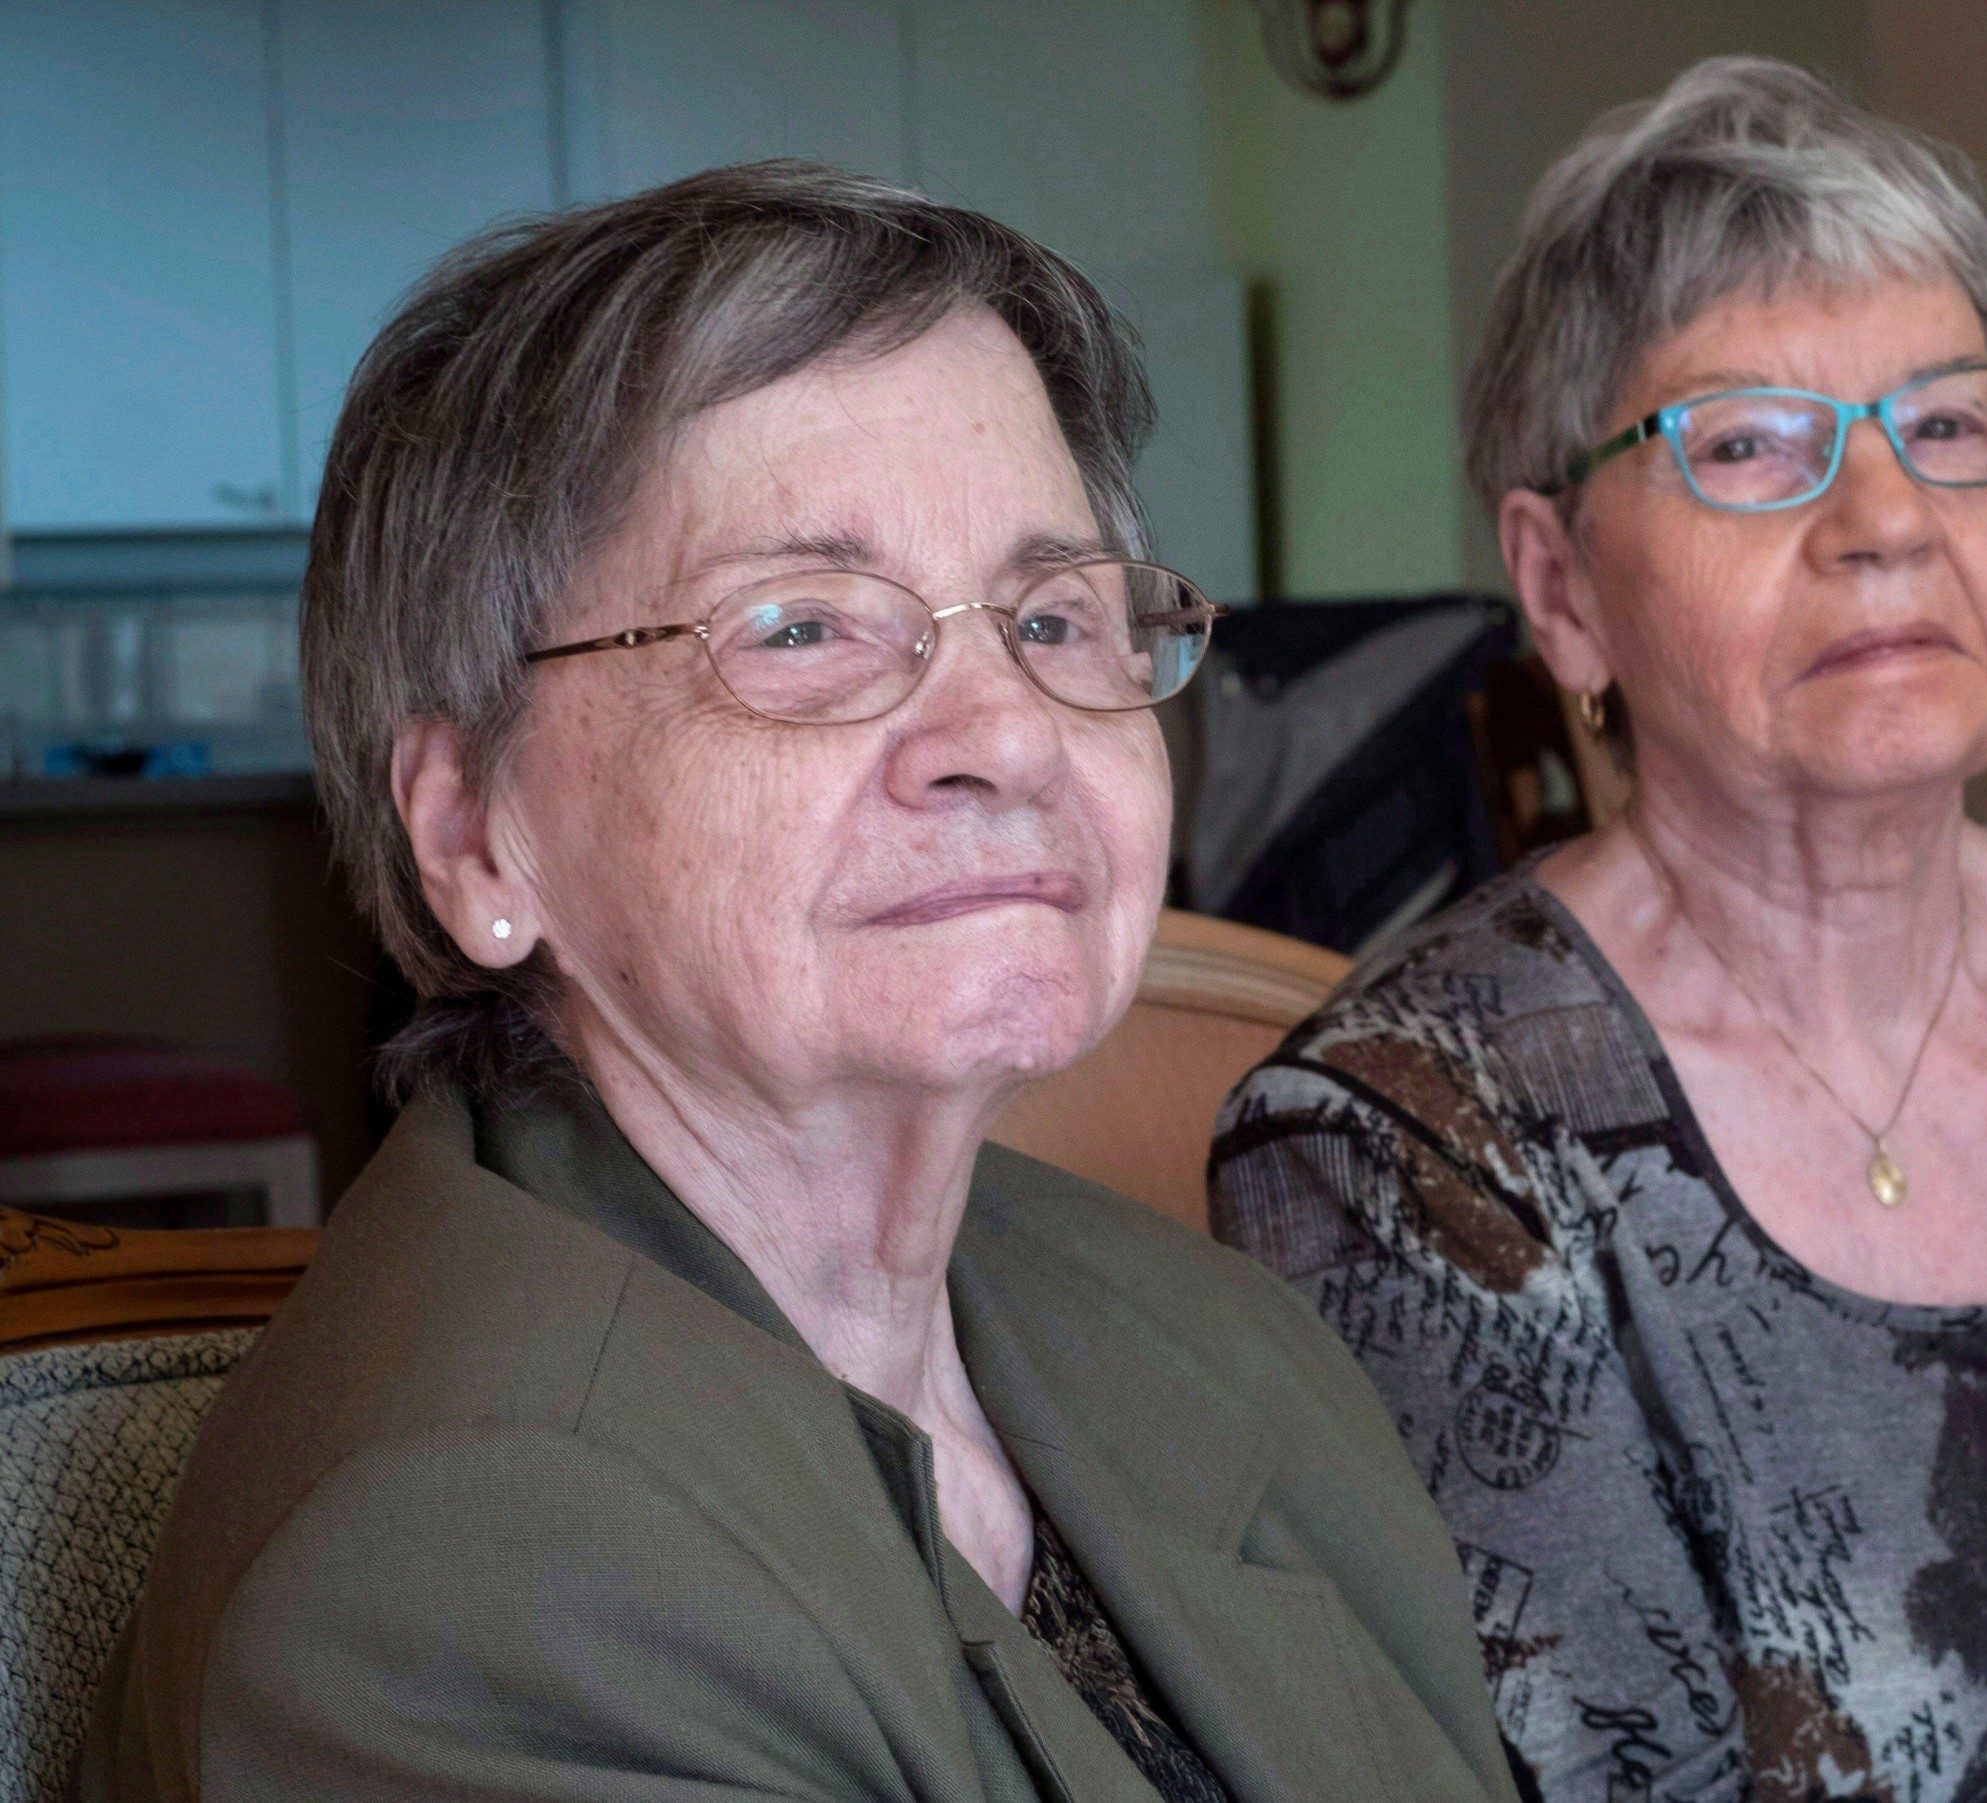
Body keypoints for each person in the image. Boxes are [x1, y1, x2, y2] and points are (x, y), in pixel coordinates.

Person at [84, 163, 1515, 1803]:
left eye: (1055, 619)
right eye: (800, 629)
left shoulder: (1210, 1326)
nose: (1008, 736)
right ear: (476, 835)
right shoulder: (471, 1587)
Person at [1211, 58, 1987, 1801]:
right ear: (1563, 589)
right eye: (1748, 445)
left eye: (1948, 428)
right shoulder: (1410, 1146)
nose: (1887, 522)